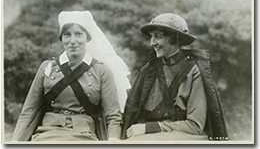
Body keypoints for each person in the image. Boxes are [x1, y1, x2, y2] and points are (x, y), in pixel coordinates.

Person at [12, 11, 131, 141]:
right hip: (47, 133)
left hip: (85, 135)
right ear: (62, 38)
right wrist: (15, 141)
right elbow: (29, 110)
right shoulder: (47, 67)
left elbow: (113, 116)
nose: (72, 41)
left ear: (87, 38)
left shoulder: (101, 71)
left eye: (78, 34)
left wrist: (113, 140)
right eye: (67, 35)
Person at [121, 13, 228, 141]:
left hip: (183, 138)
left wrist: (149, 128)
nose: (152, 43)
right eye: (151, 37)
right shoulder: (148, 70)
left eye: (157, 36)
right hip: (148, 137)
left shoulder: (193, 71)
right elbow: (134, 113)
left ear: (173, 38)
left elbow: (195, 126)